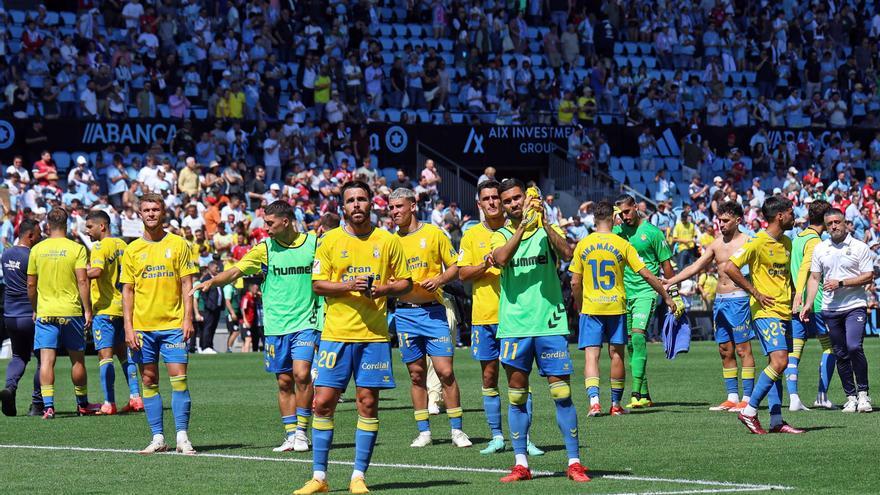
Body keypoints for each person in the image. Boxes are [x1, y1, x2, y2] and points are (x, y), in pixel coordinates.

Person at [294, 181, 412, 495]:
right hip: (335, 335)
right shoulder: (329, 241)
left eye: (361, 199)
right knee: (323, 403)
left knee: (368, 403)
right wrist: (349, 285)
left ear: (371, 203)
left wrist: (383, 289)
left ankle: (358, 476)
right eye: (350, 200)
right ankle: (319, 477)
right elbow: (318, 285)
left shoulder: (387, 240)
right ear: (343, 206)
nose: (356, 205)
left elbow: (405, 282)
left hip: (373, 337)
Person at [191, 200, 321, 453]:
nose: (266, 228)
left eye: (270, 224)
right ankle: (291, 434)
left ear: (286, 221)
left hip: (307, 321)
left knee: (302, 374)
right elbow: (236, 271)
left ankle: (303, 432)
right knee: (284, 382)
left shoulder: (313, 244)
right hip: (275, 325)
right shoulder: (264, 249)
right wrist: (211, 282)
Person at [489, 179, 589, 483]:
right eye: (507, 201)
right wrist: (522, 228)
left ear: (526, 198)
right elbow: (502, 258)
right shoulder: (500, 235)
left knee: (562, 393)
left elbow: (569, 252)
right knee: (517, 396)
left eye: (517, 198)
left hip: (550, 324)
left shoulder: (547, 231)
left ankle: (574, 462)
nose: (513, 204)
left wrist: (544, 223)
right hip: (515, 326)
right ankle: (521, 464)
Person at [458, 180, 542, 455]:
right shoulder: (471, 236)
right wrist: (487, 262)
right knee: (489, 376)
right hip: (484, 316)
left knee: (518, 378)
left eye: (497, 197)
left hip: (515, 316)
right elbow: (462, 275)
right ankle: (496, 436)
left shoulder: (518, 228)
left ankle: (524, 437)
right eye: (488, 198)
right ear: (479, 204)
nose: (493, 202)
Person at [572, 201, 676, 417]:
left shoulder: (583, 244)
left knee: (592, 355)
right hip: (617, 305)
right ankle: (616, 404)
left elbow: (574, 282)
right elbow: (647, 273)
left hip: (592, 307)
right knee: (617, 354)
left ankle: (595, 402)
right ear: (613, 218)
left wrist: (579, 305)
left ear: (594, 220)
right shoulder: (621, 243)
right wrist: (667, 296)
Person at [387, 188, 471, 449]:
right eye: (391, 208)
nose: (394, 212)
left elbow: (456, 266)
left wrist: (439, 279)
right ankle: (424, 431)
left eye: (399, 206)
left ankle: (457, 430)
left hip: (434, 312)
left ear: (413, 206)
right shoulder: (390, 241)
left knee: (445, 372)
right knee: (415, 375)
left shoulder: (433, 234)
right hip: (404, 313)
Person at [121, 193, 199, 454]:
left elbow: (187, 284)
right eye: (147, 210)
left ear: (163, 212)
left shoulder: (179, 244)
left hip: (174, 325)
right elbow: (128, 291)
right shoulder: (132, 250)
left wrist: (188, 318)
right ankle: (157, 438)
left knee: (179, 379)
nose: (151, 214)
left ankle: (182, 437)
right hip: (143, 328)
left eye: (156, 209)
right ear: (139, 214)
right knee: (149, 379)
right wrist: (128, 327)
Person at [663, 202, 756, 411]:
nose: (721, 224)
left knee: (743, 349)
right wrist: (672, 280)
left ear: (738, 220)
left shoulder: (749, 241)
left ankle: (748, 398)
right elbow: (696, 266)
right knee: (724, 349)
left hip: (739, 299)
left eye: (725, 221)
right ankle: (732, 397)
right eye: (719, 220)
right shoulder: (715, 244)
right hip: (720, 301)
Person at [724, 195, 804, 434]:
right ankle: (748, 411)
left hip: (784, 311)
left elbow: (785, 277)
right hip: (765, 311)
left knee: (776, 366)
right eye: (791, 212)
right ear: (780, 216)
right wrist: (755, 292)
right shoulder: (757, 242)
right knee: (780, 361)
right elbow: (730, 267)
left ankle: (776, 420)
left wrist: (796, 299)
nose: (794, 216)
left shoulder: (787, 243)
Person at [27, 207, 97, 419]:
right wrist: (87, 310)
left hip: (46, 312)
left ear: (48, 225)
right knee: (77, 360)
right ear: (67, 225)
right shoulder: (76, 248)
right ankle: (82, 404)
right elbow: (83, 280)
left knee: (47, 361)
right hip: (71, 311)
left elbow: (31, 284)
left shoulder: (37, 250)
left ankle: (48, 406)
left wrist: (35, 308)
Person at [802, 208, 874, 413]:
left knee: (853, 347)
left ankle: (863, 394)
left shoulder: (860, 247)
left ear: (845, 223)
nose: (834, 226)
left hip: (854, 305)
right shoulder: (820, 248)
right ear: (825, 226)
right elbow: (814, 278)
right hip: (830, 309)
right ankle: (850, 397)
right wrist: (808, 303)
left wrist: (841, 282)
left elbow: (868, 276)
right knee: (841, 353)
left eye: (837, 222)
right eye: (830, 223)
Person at [613, 195, 681, 408]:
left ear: (636, 207)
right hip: (625, 293)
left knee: (639, 336)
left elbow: (666, 265)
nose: (624, 217)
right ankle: (645, 394)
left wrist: (673, 292)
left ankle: (634, 393)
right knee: (632, 344)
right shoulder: (617, 232)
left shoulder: (652, 232)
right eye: (620, 213)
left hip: (646, 291)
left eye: (627, 212)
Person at [85, 210, 142, 415]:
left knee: (105, 356)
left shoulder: (100, 246)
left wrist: (77, 273)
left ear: (102, 226)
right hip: (123, 308)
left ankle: (109, 402)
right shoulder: (123, 246)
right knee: (125, 356)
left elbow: (97, 271)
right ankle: (136, 398)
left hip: (105, 309)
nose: (87, 231)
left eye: (89, 226)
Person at [789, 200, 837, 411]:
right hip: (815, 303)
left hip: (796, 304)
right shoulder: (815, 242)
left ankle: (793, 398)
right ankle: (821, 396)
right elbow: (807, 270)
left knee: (795, 351)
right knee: (830, 347)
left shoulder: (797, 238)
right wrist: (802, 294)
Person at [0, 220, 43, 417]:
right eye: (39, 233)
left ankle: (10, 388)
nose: (41, 236)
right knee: (42, 359)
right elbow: (33, 286)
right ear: (30, 235)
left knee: (18, 356)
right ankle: (37, 403)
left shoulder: (6, 254)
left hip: (10, 314)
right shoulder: (32, 255)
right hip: (30, 313)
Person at [193, 261, 224, 354]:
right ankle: (205, 346)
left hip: (216, 308)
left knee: (213, 327)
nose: (217, 269)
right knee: (207, 327)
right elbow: (203, 293)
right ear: (210, 268)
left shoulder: (216, 278)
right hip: (209, 308)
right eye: (215, 267)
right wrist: (208, 304)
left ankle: (210, 345)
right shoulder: (206, 278)